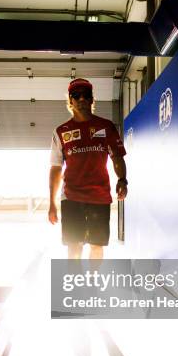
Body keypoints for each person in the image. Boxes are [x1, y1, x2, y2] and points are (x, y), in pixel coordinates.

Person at [48, 78, 127, 259]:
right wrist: (52, 202)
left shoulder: (106, 126)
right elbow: (56, 168)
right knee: (74, 246)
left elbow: (117, 157)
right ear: (70, 101)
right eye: (76, 95)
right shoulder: (60, 131)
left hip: (99, 196)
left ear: (92, 99)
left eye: (86, 95)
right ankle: (76, 285)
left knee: (97, 246)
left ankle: (93, 285)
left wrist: (122, 179)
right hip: (71, 196)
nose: (81, 99)